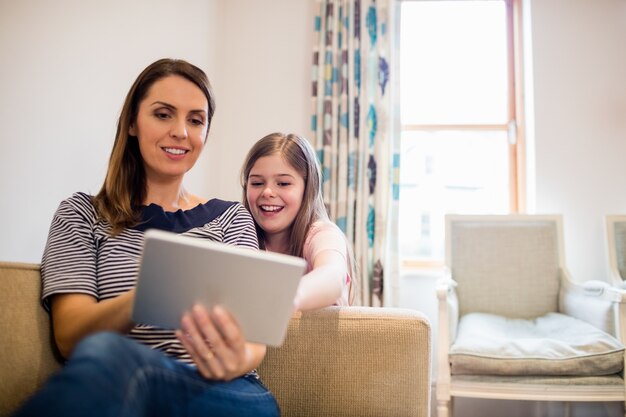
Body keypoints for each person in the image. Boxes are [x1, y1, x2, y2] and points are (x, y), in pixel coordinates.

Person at [14, 59, 279, 417]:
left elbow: (253, 342)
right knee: (114, 356)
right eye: (164, 114)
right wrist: (151, 293)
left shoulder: (231, 217)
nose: (181, 132)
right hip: (123, 380)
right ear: (132, 123)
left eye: (196, 120)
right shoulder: (81, 215)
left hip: (227, 392)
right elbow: (69, 337)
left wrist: (234, 361)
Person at [240, 132, 354, 311]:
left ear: (308, 189)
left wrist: (284, 299)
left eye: (283, 183)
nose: (267, 192)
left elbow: (333, 275)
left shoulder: (322, 234)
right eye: (257, 183)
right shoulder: (239, 235)